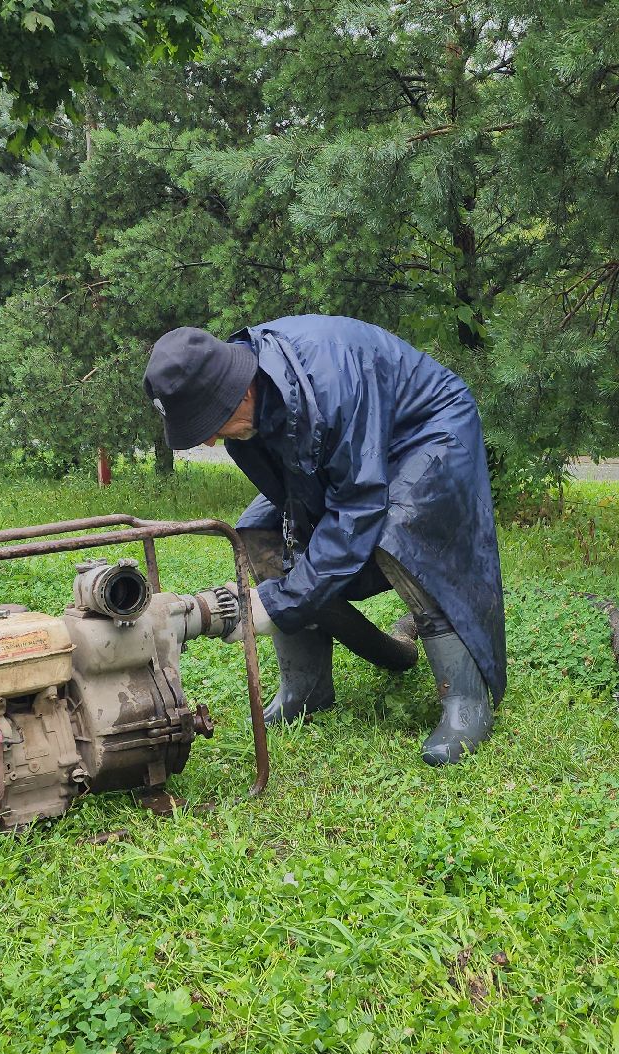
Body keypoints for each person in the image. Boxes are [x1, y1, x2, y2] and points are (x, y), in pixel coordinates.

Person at [144, 316, 506, 766]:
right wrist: (290, 579)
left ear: (239, 391)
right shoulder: (248, 402)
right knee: (260, 528)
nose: (214, 440)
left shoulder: (329, 385)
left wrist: (277, 603)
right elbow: (297, 501)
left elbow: (357, 507)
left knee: (404, 530)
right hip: (357, 443)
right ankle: (306, 688)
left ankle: (466, 701)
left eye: (212, 425)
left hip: (427, 428)